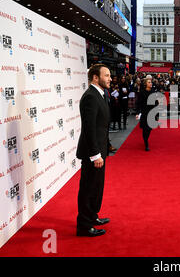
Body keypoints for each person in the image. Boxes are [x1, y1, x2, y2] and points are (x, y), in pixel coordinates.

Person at [76, 64, 112, 237]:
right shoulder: (90, 96)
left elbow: (101, 125)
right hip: (93, 153)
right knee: (88, 188)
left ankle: (92, 217)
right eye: (106, 75)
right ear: (95, 77)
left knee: (97, 187)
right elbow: (89, 128)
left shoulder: (101, 94)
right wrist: (95, 154)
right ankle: (84, 225)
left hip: (100, 150)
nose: (110, 78)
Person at [137, 78, 157, 151]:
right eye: (149, 82)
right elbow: (139, 103)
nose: (151, 83)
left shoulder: (153, 92)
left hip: (151, 112)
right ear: (146, 84)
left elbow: (155, 103)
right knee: (145, 128)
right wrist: (138, 112)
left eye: (151, 82)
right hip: (145, 112)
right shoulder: (142, 92)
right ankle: (146, 143)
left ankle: (146, 139)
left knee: (149, 129)